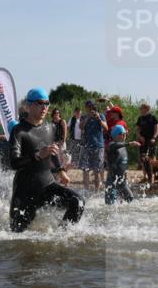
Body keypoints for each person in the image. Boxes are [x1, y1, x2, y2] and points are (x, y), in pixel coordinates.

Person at [7, 88, 84, 232]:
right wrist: (36, 156)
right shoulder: (19, 131)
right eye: (40, 103)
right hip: (25, 192)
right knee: (16, 236)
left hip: (47, 186)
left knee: (77, 202)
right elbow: (14, 163)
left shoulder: (50, 128)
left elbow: (52, 152)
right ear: (28, 106)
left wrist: (60, 171)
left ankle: (61, 237)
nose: (44, 107)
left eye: (47, 103)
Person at [105, 124, 140, 205]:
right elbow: (115, 146)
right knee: (111, 206)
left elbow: (123, 166)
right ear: (115, 135)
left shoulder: (124, 147)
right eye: (121, 133)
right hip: (112, 182)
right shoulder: (112, 145)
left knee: (130, 198)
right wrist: (129, 144)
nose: (124, 135)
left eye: (124, 133)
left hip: (122, 182)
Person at [79, 101, 106, 191]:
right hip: (86, 145)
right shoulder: (84, 116)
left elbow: (106, 128)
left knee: (97, 170)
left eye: (91, 106)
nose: (90, 108)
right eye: (88, 106)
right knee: (85, 169)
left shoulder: (101, 115)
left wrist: (99, 119)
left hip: (98, 145)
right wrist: (87, 118)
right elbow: (81, 127)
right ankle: (86, 190)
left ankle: (97, 190)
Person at [135, 103, 158, 169]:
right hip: (143, 140)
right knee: (142, 156)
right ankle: (145, 176)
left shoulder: (153, 117)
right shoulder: (140, 118)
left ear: (146, 109)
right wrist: (140, 137)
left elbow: (157, 128)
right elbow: (137, 130)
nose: (140, 110)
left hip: (151, 140)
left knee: (152, 155)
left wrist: (154, 137)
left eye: (141, 108)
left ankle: (154, 173)